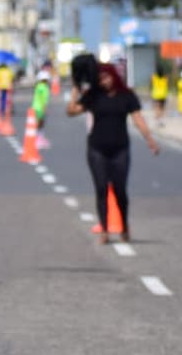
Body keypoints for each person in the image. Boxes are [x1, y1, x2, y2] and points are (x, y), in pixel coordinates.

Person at [66, 62, 160, 243]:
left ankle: (124, 226)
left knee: (120, 190)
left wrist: (150, 140)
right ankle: (105, 230)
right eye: (100, 79)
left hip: (120, 149)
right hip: (96, 148)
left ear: (114, 76)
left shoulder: (127, 96)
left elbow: (138, 119)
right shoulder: (93, 96)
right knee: (101, 188)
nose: (104, 82)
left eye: (107, 78)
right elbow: (71, 112)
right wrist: (76, 91)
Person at [31, 68, 52, 149]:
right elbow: (43, 100)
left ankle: (39, 138)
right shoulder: (44, 88)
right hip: (40, 108)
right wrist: (45, 109)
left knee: (39, 123)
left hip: (35, 106)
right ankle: (38, 139)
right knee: (40, 124)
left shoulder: (38, 86)